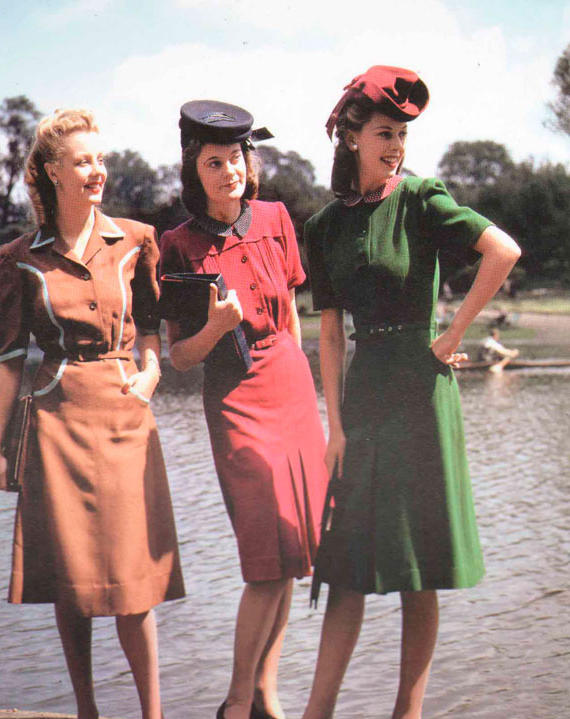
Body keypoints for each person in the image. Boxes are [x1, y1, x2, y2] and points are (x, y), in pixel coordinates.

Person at [302, 66, 521, 719]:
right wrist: (335, 427)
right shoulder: (324, 227)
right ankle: (317, 711)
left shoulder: (423, 197)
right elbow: (331, 335)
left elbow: (503, 251)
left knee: (418, 569)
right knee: (346, 565)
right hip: (365, 396)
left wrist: (452, 331)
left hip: (422, 393)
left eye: (401, 135)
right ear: (350, 137)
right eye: (384, 133)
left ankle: (408, 712)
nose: (395, 146)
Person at [0, 109, 185, 719]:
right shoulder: (19, 257)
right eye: (82, 161)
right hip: (56, 424)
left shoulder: (137, 240)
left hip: (126, 418)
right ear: (53, 171)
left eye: (100, 159)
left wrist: (149, 374)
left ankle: (152, 713)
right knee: (71, 582)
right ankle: (86, 711)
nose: (97, 171)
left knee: (132, 579)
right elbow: (10, 360)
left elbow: (151, 330)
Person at [159, 101, 329, 719]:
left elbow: (292, 315)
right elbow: (180, 357)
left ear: (247, 162)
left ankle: (266, 697)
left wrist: (300, 379)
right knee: (265, 559)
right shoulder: (177, 245)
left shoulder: (278, 217)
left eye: (235, 158)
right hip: (235, 399)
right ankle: (235, 703)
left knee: (293, 556)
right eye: (214, 162)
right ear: (194, 171)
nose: (228, 171)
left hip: (290, 386)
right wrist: (216, 327)